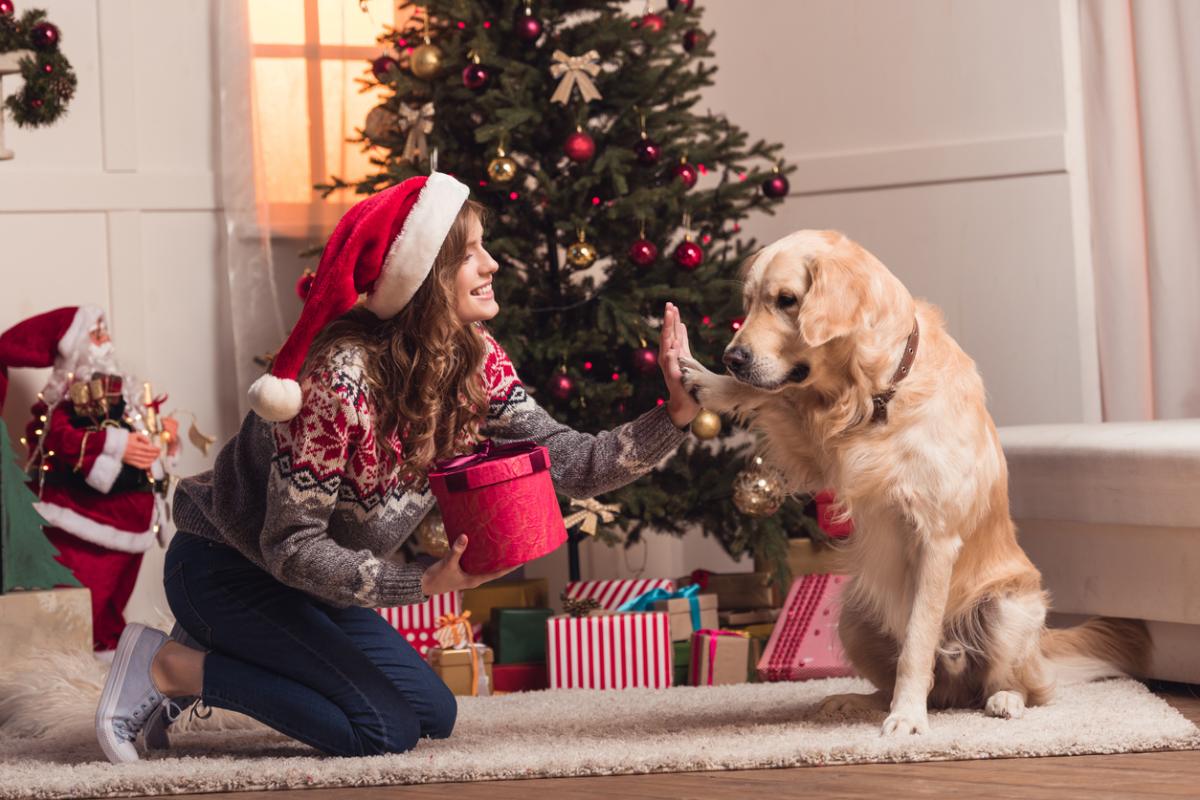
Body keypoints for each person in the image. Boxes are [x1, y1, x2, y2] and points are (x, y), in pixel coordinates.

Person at [94, 172, 701, 763]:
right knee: (378, 726)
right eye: (469, 255)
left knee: (431, 715)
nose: (491, 265)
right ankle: (171, 667)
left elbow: (568, 460)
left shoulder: (474, 359)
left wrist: (672, 415)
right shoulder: (339, 383)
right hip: (229, 569)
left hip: (308, 585)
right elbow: (290, 547)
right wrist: (423, 584)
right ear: (425, 278)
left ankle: (223, 654)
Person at [0, 306, 177, 653]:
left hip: (134, 525)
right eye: (96, 335)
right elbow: (55, 437)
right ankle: (71, 678)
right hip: (88, 523)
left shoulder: (124, 399)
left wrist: (163, 435)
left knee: (111, 612)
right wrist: (116, 444)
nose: (105, 343)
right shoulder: (64, 401)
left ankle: (108, 666)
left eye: (105, 333)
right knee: (82, 610)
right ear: (75, 347)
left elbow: (144, 439)